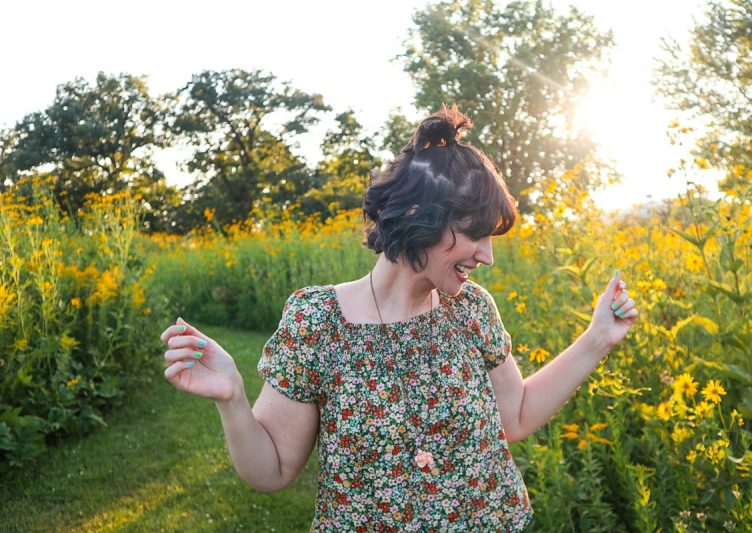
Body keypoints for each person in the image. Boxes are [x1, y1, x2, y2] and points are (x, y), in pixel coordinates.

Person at [160, 105, 639, 532]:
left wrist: (598, 338)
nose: (488, 256)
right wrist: (232, 397)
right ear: (417, 215)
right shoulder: (317, 321)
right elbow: (273, 470)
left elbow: (513, 417)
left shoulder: (471, 309)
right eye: (475, 234)